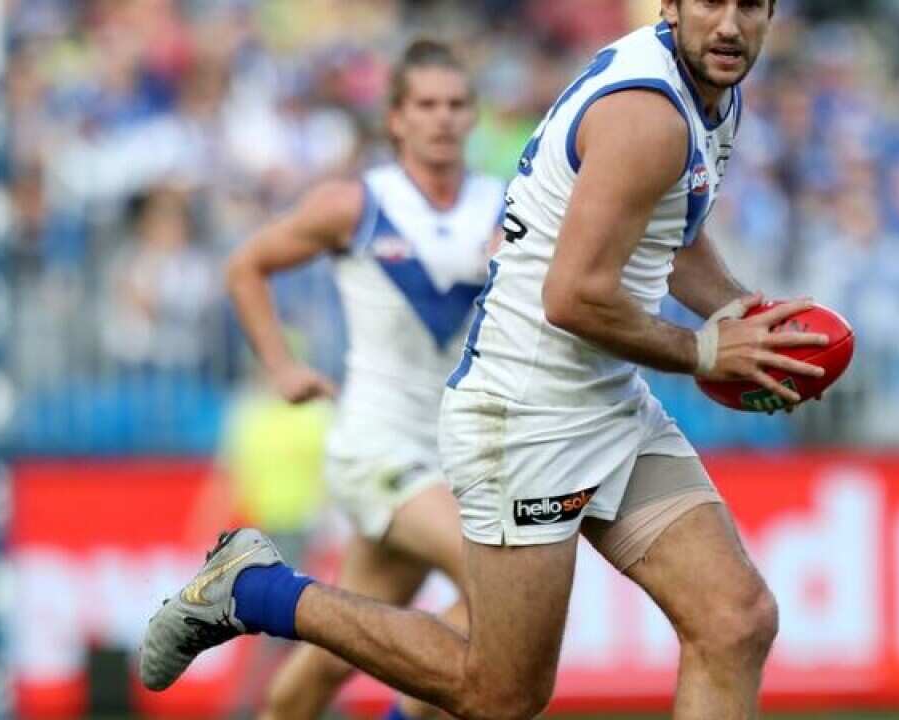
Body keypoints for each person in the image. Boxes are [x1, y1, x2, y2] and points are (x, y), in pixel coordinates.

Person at [141, 3, 831, 718]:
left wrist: (743, 314)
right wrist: (706, 349)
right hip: (522, 417)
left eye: (749, 3)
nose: (728, 24)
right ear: (670, 5)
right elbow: (573, 299)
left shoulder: (708, 96)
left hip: (600, 399)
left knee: (735, 618)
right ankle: (255, 589)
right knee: (500, 694)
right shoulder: (646, 115)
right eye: (710, 1)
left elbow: (669, 233)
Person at [216, 40, 504, 720]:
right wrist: (281, 366)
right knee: (501, 588)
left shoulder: (508, 207)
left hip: (457, 457)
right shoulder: (356, 204)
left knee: (342, 651)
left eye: (457, 105)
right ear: (396, 118)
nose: (442, 118)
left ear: (474, 117)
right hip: (376, 446)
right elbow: (246, 266)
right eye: (426, 104)